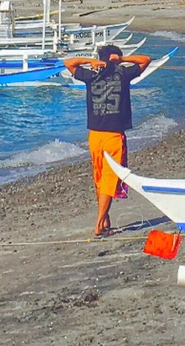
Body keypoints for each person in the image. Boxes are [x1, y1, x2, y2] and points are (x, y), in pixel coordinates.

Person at [65, 43, 152, 237]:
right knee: (108, 180)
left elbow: (68, 63)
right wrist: (121, 60)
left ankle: (104, 221)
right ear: (115, 58)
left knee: (101, 180)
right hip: (112, 135)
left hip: (95, 135)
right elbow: (146, 60)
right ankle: (99, 225)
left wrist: (91, 61)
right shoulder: (122, 73)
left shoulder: (92, 74)